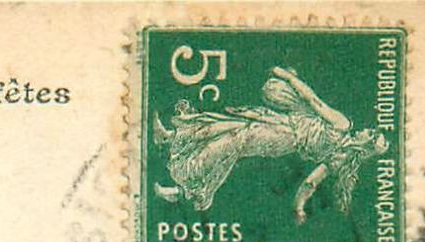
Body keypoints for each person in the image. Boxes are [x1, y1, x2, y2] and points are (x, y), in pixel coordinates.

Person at [152, 66, 388, 223]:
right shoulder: (340, 159)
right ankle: (172, 137)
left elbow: (313, 100)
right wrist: (299, 208)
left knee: (233, 141)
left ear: (365, 141)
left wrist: (287, 77)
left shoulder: (343, 124)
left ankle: (187, 192)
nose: (367, 129)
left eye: (371, 133)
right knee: (230, 125)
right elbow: (309, 183)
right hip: (281, 131)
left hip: (282, 134)